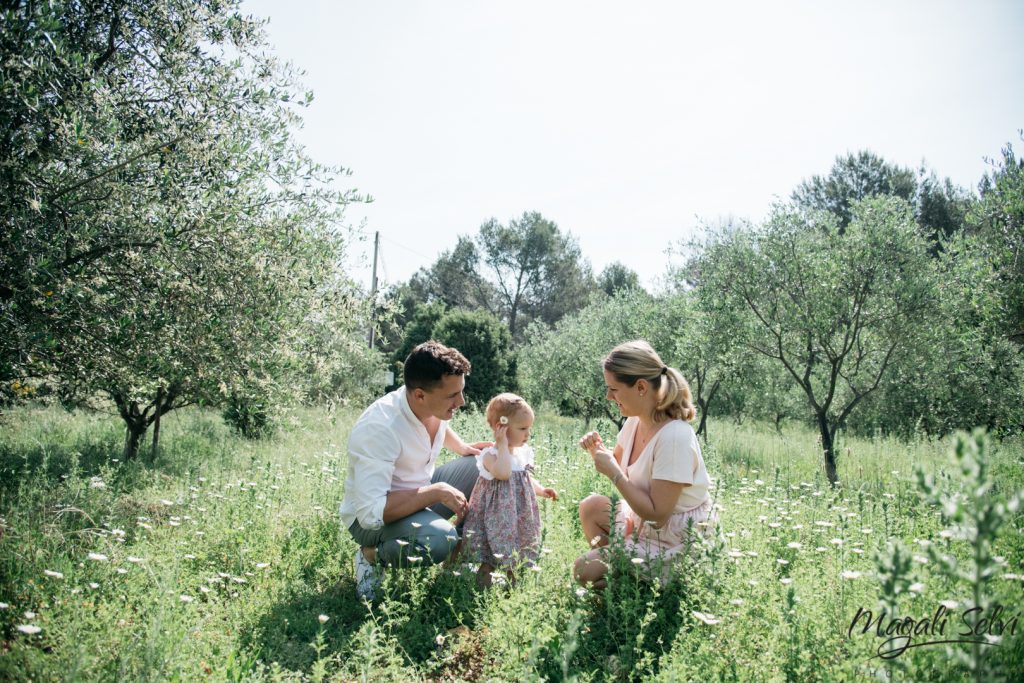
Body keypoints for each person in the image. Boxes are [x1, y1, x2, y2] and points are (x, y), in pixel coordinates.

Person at [340, 340, 491, 600]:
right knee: (441, 538)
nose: (462, 401)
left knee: (482, 467)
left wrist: (461, 447)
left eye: (461, 391)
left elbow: (439, 424)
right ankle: (370, 557)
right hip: (372, 519)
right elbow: (370, 513)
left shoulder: (427, 403)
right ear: (420, 395)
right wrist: (436, 492)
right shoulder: (379, 428)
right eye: (453, 396)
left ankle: (460, 560)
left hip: (417, 496)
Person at [573, 340, 714, 589]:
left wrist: (614, 473)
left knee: (582, 570)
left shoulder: (674, 437)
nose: (608, 397)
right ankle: (624, 572)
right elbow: (619, 464)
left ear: (640, 387)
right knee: (590, 507)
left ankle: (639, 587)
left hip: (674, 540)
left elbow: (657, 516)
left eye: (613, 389)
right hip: (642, 524)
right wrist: (597, 450)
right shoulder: (634, 422)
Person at [463, 393, 557, 588]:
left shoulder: (522, 454)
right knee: (489, 555)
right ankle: (482, 589)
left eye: (529, 428)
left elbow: (524, 477)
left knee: (516, 553)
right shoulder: (490, 455)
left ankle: (512, 589)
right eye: (522, 428)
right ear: (501, 427)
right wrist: (503, 444)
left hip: (517, 515)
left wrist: (540, 490)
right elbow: (504, 473)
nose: (527, 434)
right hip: (495, 518)